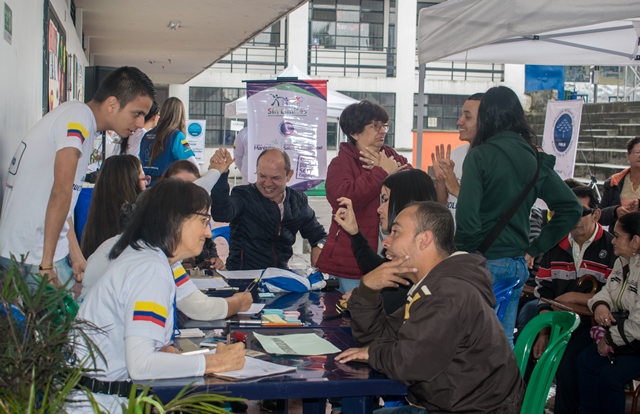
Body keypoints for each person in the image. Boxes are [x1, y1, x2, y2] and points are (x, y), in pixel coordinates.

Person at [69, 180, 246, 413]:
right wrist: (214, 362)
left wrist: (164, 353)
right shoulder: (151, 269)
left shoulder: (145, 255)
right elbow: (141, 365)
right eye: (203, 220)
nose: (208, 232)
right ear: (174, 219)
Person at [335, 201, 525, 413]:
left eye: (395, 232)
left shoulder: (449, 292)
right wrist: (368, 290)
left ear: (424, 239)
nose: (386, 242)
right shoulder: (433, 286)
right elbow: (378, 338)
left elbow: (408, 364)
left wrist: (373, 352)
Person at [0, 66, 155, 289]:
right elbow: (61, 190)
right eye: (137, 113)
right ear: (112, 104)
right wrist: (46, 267)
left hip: (37, 254)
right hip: (32, 257)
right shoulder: (79, 119)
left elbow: (67, 197)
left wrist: (75, 254)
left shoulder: (82, 120)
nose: (140, 123)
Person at [454, 86, 582, 347]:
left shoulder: (479, 155)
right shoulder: (534, 158)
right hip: (516, 266)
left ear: (487, 116)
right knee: (502, 343)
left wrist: (460, 258)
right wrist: (534, 248)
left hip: (482, 264)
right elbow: (572, 208)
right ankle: (506, 389)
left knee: (468, 345)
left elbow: (467, 222)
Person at [532, 185, 616, 414]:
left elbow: (615, 295)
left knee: (569, 357)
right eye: (567, 211)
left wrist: (575, 297)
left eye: (580, 212)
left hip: (597, 326)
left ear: (597, 214)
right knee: (529, 345)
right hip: (557, 322)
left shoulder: (612, 247)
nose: (573, 218)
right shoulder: (555, 244)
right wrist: (543, 332)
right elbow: (544, 291)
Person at [316, 100, 409, 293]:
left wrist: (390, 171)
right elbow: (342, 198)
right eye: (375, 126)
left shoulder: (392, 156)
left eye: (384, 125)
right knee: (354, 312)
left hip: (393, 251)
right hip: (353, 255)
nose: (382, 131)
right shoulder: (342, 162)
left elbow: (415, 187)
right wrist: (381, 173)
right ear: (355, 132)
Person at [332, 169, 437, 313]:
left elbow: (383, 314)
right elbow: (381, 270)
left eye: (386, 199)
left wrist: (362, 299)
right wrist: (354, 232)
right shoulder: (416, 255)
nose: (379, 209)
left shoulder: (413, 273)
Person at [210, 148, 327, 270]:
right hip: (243, 276)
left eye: (275, 178)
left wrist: (319, 246)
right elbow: (221, 214)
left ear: (289, 175)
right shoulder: (243, 195)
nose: (268, 183)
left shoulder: (297, 201)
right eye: (262, 176)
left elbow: (319, 235)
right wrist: (221, 176)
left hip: (281, 277)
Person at [578, 211, 640, 414]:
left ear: (635, 241)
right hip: (629, 340)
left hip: (634, 340)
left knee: (610, 377)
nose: (612, 241)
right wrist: (601, 305)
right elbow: (607, 292)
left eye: (617, 236)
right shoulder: (622, 262)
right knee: (585, 360)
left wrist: (611, 340)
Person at [161, 160, 227, 271]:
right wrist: (216, 171)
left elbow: (184, 285)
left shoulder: (199, 225)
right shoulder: (158, 250)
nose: (208, 233)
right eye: (182, 188)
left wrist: (215, 262)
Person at [80, 155, 147, 259]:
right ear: (131, 184)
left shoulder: (94, 224)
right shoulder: (137, 225)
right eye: (144, 179)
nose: (146, 184)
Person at [432, 93, 483, 221]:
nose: (459, 121)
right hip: (452, 237)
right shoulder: (456, 154)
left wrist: (455, 188)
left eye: (467, 116)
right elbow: (443, 205)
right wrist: (441, 181)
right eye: (461, 115)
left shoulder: (492, 160)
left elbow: (486, 208)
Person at [139, 97, 197, 185]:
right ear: (180, 115)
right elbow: (194, 166)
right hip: (165, 188)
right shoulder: (177, 136)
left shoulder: (147, 135)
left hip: (145, 186)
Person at [600, 136, 640, 229]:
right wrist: (615, 211)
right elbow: (599, 215)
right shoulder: (614, 182)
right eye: (637, 152)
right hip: (618, 238)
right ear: (628, 155)